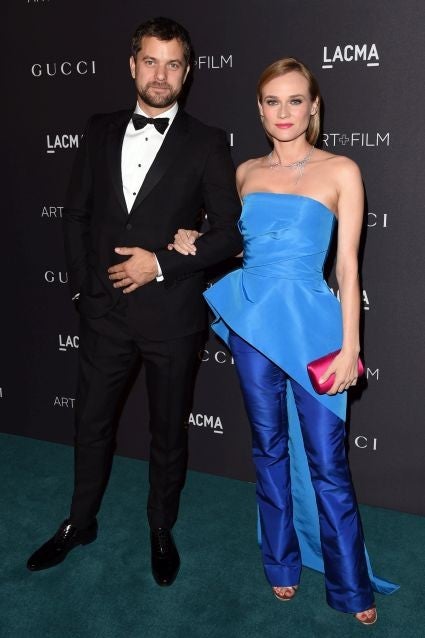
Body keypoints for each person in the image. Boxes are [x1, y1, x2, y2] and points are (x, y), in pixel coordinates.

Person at [170, 57, 398, 622]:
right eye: (272, 101)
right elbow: (238, 243)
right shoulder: (244, 173)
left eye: (295, 100)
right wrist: (196, 237)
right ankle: (280, 561)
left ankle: (350, 585)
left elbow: (347, 267)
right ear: (260, 109)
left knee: (327, 461)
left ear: (313, 106)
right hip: (254, 328)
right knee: (268, 450)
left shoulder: (341, 170)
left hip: (313, 330)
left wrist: (351, 348)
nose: (284, 112)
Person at [26, 16, 242, 586]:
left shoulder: (208, 141)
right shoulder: (98, 130)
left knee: (168, 433)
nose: (161, 75)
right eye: (151, 61)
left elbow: (228, 233)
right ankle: (79, 522)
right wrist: (82, 289)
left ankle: (161, 527)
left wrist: (161, 263)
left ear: (187, 73)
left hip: (172, 315)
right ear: (132, 65)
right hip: (103, 313)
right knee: (90, 425)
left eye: (173, 64)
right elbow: (75, 214)